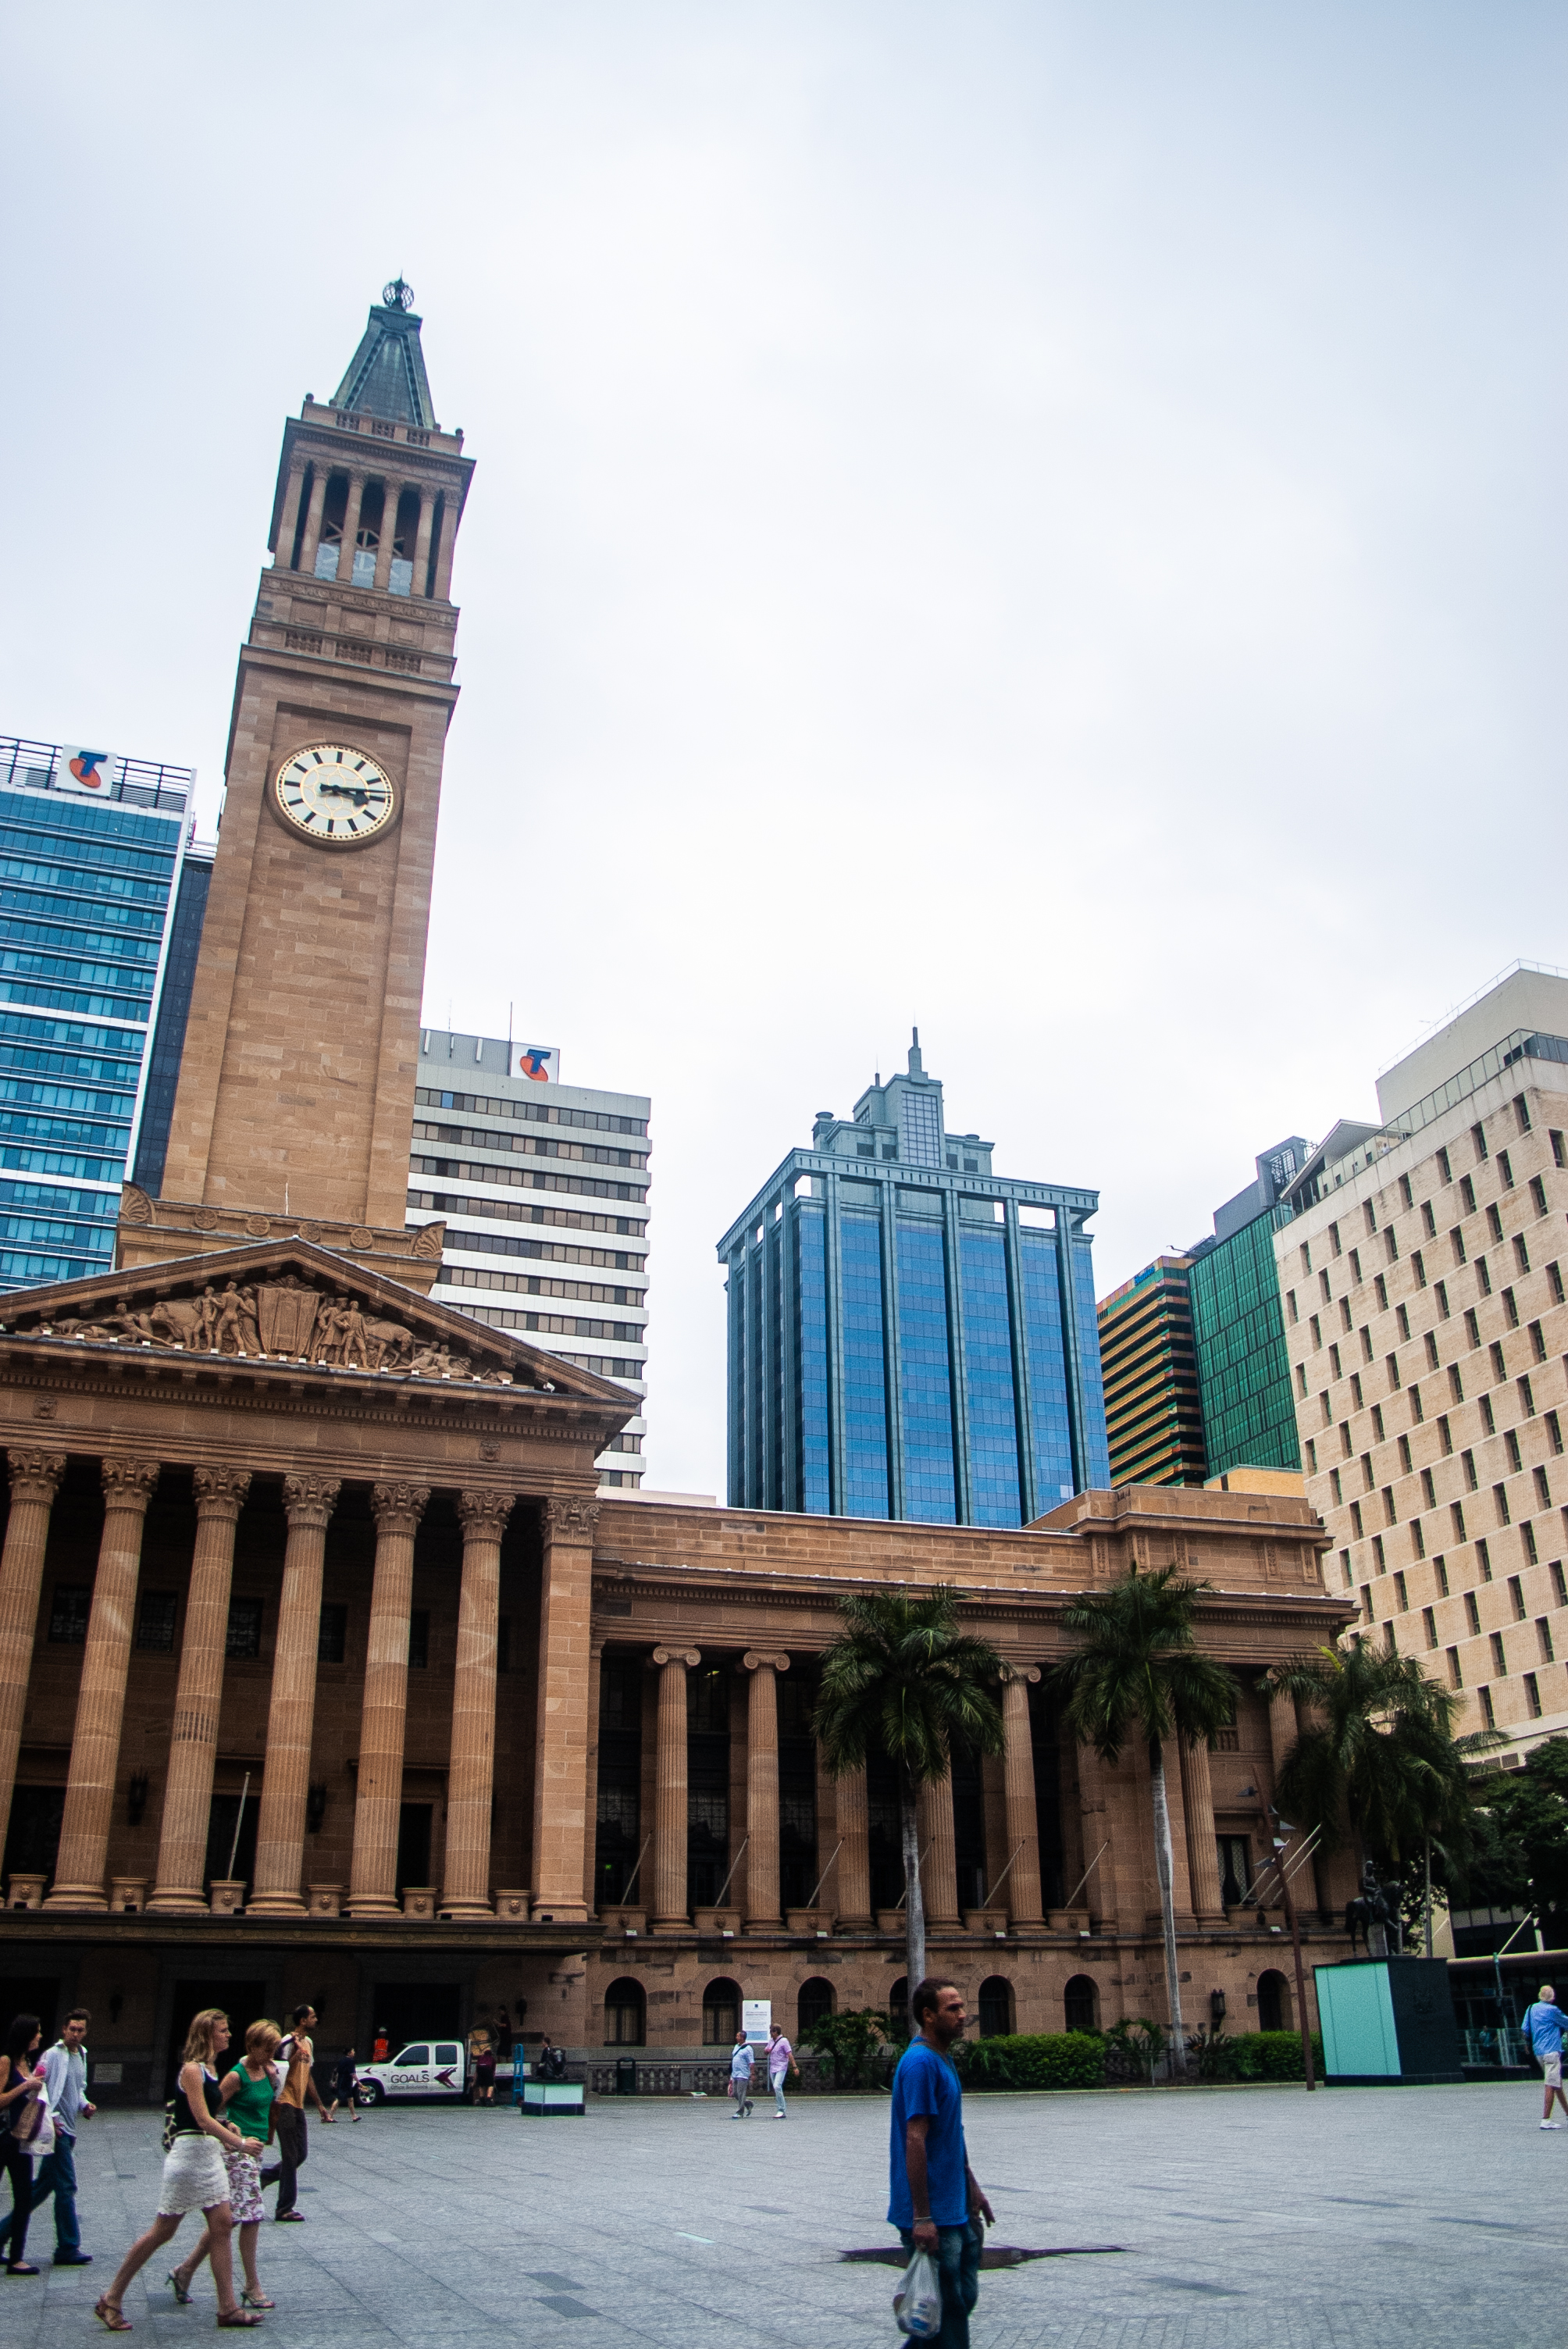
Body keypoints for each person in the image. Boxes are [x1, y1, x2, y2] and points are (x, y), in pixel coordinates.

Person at [92, 2006, 262, 2332]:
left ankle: (227, 2308)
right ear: (207, 2034)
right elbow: (199, 2119)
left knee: (223, 2225)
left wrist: (227, 2127)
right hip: (188, 2159)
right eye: (223, 2030)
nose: (228, 2034)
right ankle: (111, 2298)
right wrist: (239, 2143)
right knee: (162, 2232)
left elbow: (205, 2118)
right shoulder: (192, 2070)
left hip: (207, 2155)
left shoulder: (212, 2069)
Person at [889, 1980, 995, 2349]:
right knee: (948, 2313)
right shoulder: (920, 2063)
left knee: (955, 2302)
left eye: (962, 2007)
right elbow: (915, 2138)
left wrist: (973, 2187)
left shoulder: (941, 2057)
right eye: (953, 2009)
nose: (963, 2015)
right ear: (928, 2015)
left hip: (955, 2207)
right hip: (933, 2212)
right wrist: (921, 2217)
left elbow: (951, 2134)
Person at [169, 2021, 280, 2312]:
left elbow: (270, 2107)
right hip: (237, 2153)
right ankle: (251, 2285)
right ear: (252, 2046)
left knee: (226, 2220)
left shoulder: (269, 2071)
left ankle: (185, 2270)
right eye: (267, 2048)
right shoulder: (235, 2075)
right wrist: (233, 2136)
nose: (271, 2054)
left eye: (275, 2049)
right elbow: (209, 2107)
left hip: (253, 2152)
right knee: (251, 2216)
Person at [0, 2006, 95, 2266]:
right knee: (66, 2186)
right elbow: (38, 2094)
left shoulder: (82, 2056)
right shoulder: (51, 2056)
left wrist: (84, 2105)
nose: (75, 2034)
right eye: (71, 2029)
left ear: (86, 2032)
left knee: (40, 2189)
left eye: (80, 2029)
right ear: (64, 2029)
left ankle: (2, 2234)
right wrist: (52, 2120)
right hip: (57, 2131)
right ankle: (68, 2246)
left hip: (69, 2130)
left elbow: (78, 2090)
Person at [259, 2005, 325, 2220]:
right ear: (303, 2020)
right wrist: (295, 2056)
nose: (316, 2019)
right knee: (289, 2156)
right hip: (284, 2102)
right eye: (313, 2016)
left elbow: (308, 2076)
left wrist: (320, 2105)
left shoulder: (309, 2043)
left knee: (301, 2154)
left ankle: (265, 2176)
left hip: (298, 2105)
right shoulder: (287, 2042)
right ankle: (284, 2208)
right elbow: (277, 2070)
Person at [0, 2012, 44, 2274]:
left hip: (21, 2139)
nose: (40, 2035)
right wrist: (25, 2086)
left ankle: (17, 2258)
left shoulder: (27, 2061)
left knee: (24, 2198)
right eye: (37, 2032)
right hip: (3, 2136)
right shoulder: (5, 2061)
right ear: (26, 2035)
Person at [1520, 1984, 1568, 2127]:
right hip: (1551, 2051)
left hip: (1539, 2052)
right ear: (1552, 1997)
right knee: (1550, 2084)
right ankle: (1546, 2119)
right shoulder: (1552, 2010)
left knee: (1556, 2083)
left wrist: (1527, 2044)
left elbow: (1525, 2030)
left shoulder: (1531, 2009)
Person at [767, 2023, 795, 2119]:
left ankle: (781, 2109)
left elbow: (789, 2054)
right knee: (776, 2088)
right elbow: (766, 2051)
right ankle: (780, 2107)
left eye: (772, 2031)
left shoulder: (784, 2041)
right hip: (773, 2067)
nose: (771, 2033)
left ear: (776, 2032)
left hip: (781, 2066)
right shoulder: (771, 2041)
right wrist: (767, 2051)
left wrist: (794, 2067)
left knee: (777, 2086)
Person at [328, 2049, 360, 2123]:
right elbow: (353, 2074)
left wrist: (336, 2082)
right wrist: (359, 2082)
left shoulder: (342, 2060)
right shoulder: (351, 2061)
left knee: (350, 2099)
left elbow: (337, 2071)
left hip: (341, 2082)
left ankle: (354, 2116)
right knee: (339, 2099)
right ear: (349, 2053)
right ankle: (330, 2116)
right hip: (346, 2083)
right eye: (353, 2051)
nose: (354, 2052)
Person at [729, 2030, 754, 2118]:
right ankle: (748, 2103)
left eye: (738, 2036)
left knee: (741, 2093)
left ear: (742, 2038)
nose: (736, 2038)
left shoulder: (748, 2049)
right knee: (735, 2093)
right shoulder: (736, 2046)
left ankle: (740, 2112)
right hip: (735, 2073)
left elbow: (751, 2062)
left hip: (743, 2074)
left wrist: (752, 2073)